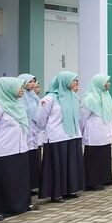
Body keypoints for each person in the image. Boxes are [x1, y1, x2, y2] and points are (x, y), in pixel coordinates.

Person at [0, 77, 35, 222]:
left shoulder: (17, 105)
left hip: (19, 149)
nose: (22, 90)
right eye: (19, 87)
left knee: (17, 180)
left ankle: (19, 206)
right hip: (1, 151)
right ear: (7, 89)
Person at [36, 71, 85, 203]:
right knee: (58, 166)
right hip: (57, 137)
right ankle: (56, 193)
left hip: (72, 135)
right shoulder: (49, 98)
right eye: (73, 80)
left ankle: (69, 189)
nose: (76, 83)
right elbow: (40, 118)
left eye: (76, 80)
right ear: (64, 81)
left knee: (70, 165)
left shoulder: (73, 96)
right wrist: (45, 131)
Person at [81, 73, 112, 191]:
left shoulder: (106, 95)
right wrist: (81, 131)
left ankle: (106, 178)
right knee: (94, 157)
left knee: (104, 154)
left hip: (105, 130)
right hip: (94, 131)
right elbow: (83, 116)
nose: (109, 84)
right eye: (107, 82)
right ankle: (92, 182)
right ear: (99, 83)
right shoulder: (90, 98)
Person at [19, 74, 43, 194]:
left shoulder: (34, 97)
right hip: (25, 132)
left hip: (34, 131)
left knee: (34, 157)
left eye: (34, 81)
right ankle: (26, 185)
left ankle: (34, 184)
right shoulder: (20, 98)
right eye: (29, 82)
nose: (32, 84)